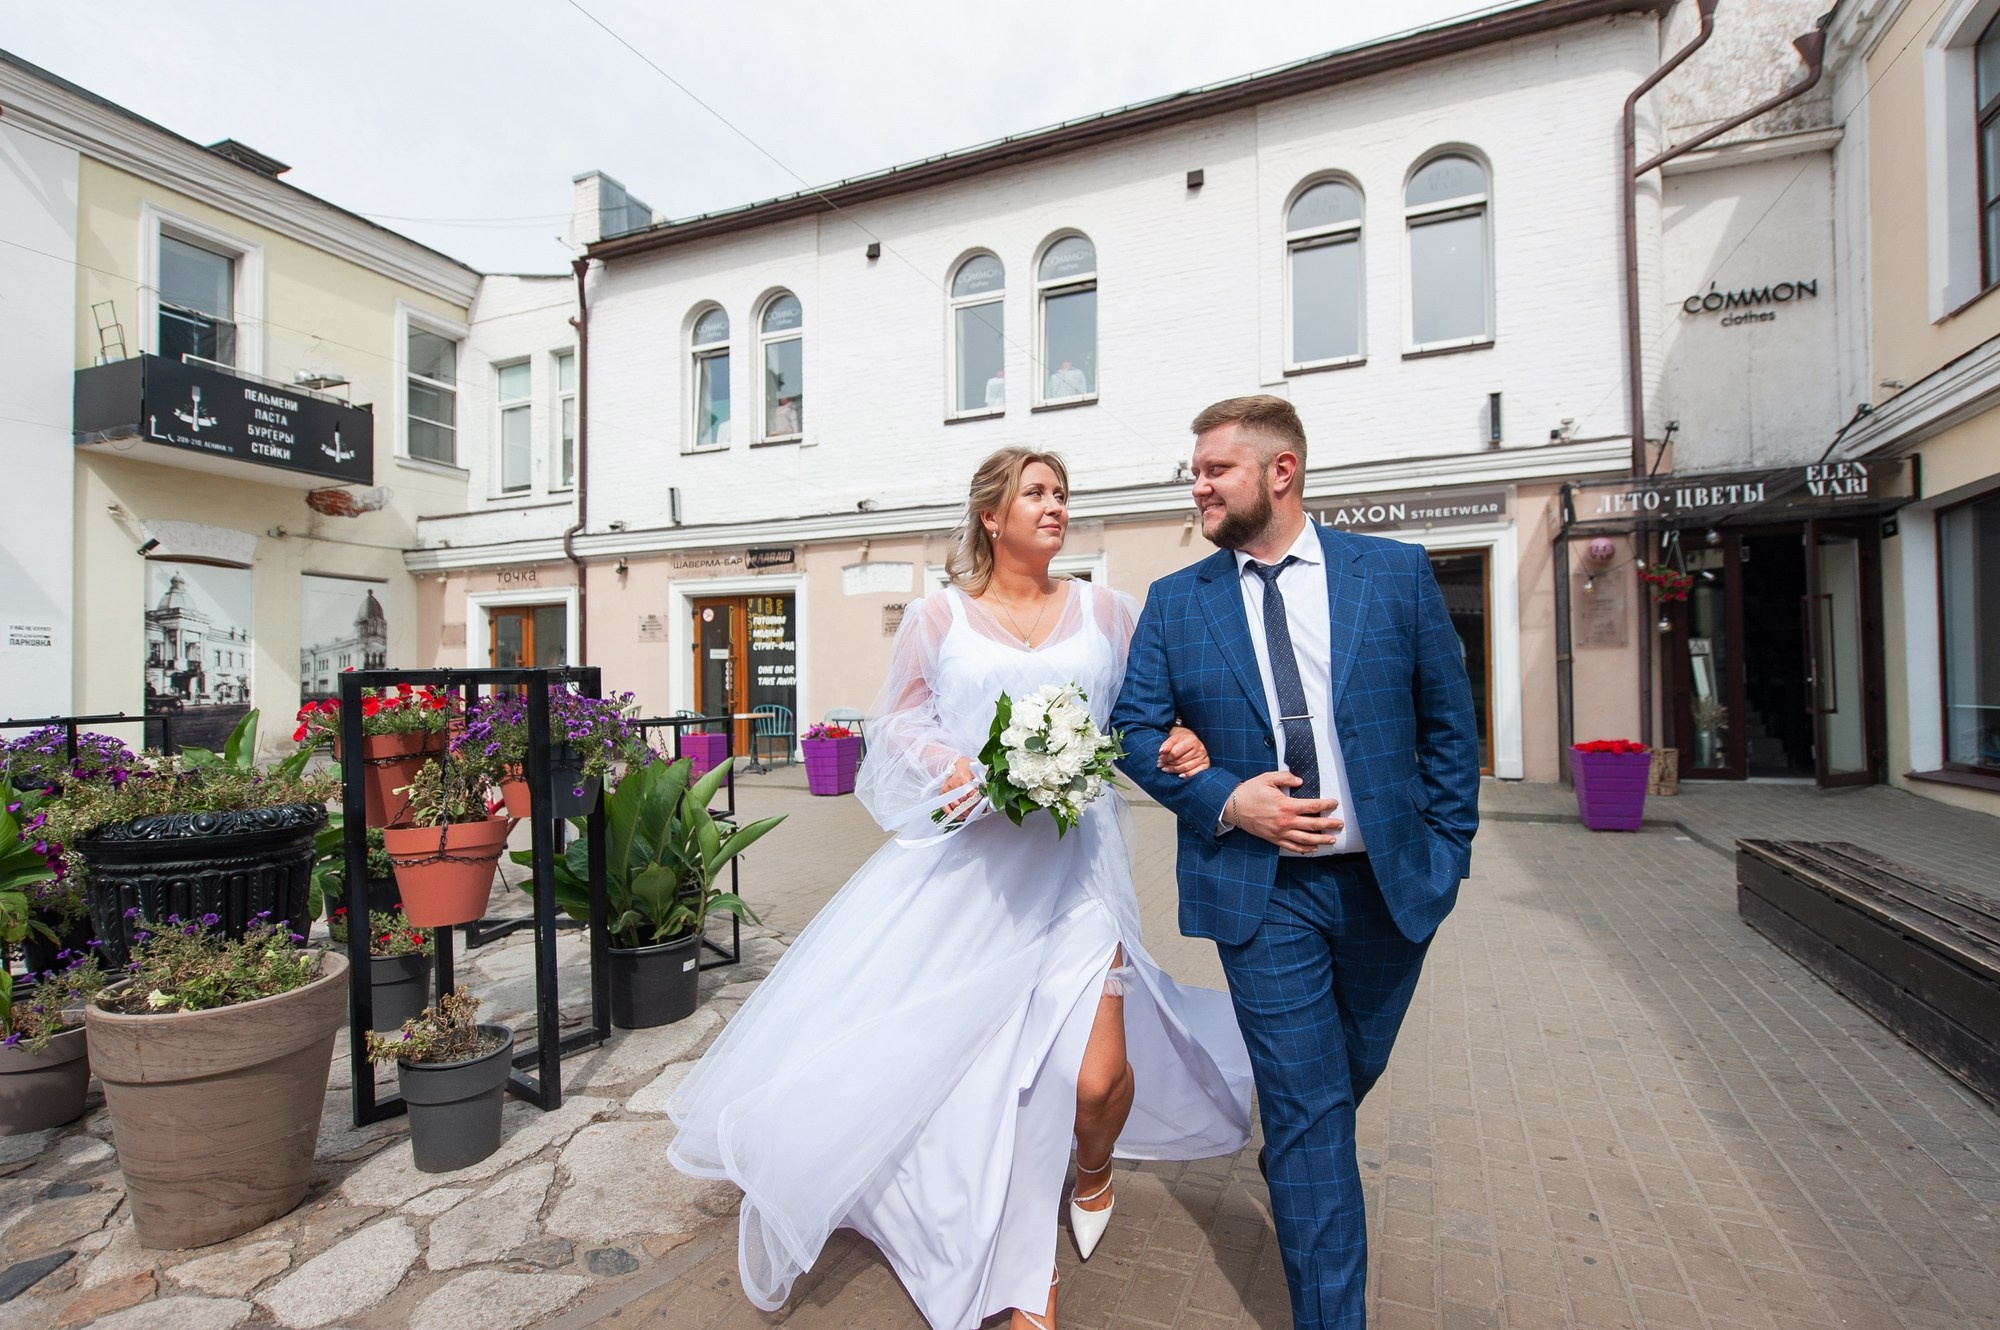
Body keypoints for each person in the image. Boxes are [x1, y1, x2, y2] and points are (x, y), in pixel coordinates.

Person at [668, 447, 1253, 1330]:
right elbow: (899, 720)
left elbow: (1149, 712)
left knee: (1095, 1080)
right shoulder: (939, 618)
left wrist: (1185, 743)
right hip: (973, 870)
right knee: (1003, 1083)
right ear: (992, 515)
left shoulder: (1108, 611)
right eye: (1036, 494)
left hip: (1082, 869)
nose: (1055, 506)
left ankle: (1090, 1166)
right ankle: (1021, 1279)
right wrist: (955, 764)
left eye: (1062, 492)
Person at [1112, 395, 1480, 1330]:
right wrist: (1227, 798)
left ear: (1281, 472)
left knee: (1337, 1082)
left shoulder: (1391, 575)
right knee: (1313, 1115)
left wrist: (1446, 852)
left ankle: (1297, 1149)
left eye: (1213, 470)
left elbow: (1448, 725)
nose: (1196, 485)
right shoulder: (1176, 601)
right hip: (1261, 895)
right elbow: (1135, 727)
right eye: (1193, 470)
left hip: (1389, 887)